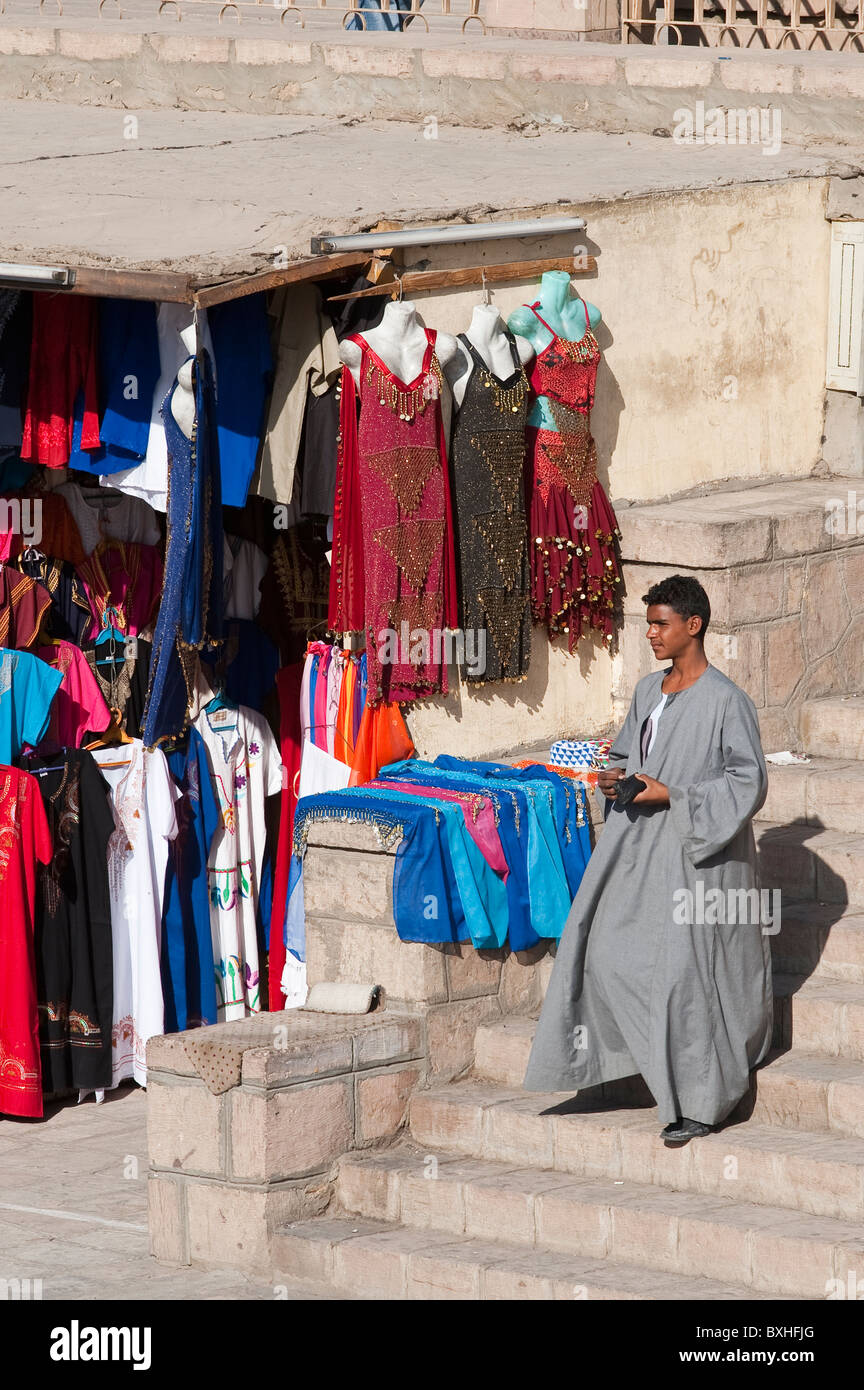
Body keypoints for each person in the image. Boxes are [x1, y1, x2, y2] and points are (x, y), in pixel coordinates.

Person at [523, 575, 773, 1144]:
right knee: (604, 949)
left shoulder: (727, 701)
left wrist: (673, 794)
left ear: (694, 625)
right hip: (636, 849)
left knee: (688, 977)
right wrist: (615, 778)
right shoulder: (646, 691)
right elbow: (624, 752)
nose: (652, 635)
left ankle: (703, 1102)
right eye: (648, 624)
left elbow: (747, 780)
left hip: (700, 858)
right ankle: (618, 1065)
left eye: (661, 624)